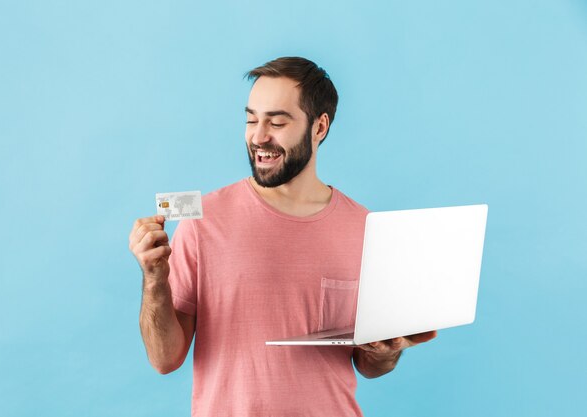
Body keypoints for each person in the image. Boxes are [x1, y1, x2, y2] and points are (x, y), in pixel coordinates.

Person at [128, 57, 437, 416]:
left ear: (319, 127)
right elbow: (164, 359)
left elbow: (368, 366)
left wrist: (388, 351)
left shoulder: (367, 229)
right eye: (251, 119)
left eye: (276, 121)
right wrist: (154, 279)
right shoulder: (204, 222)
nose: (259, 136)